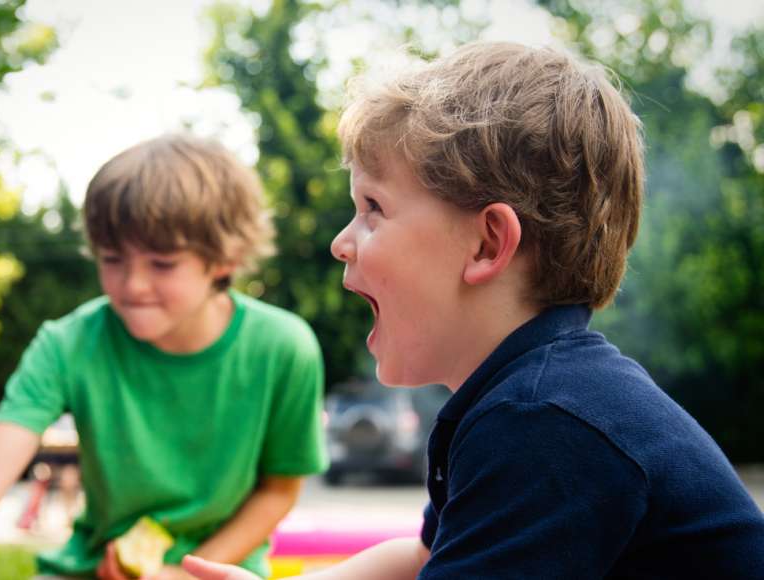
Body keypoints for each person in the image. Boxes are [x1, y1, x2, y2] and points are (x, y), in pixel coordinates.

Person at [181, 41, 764, 580]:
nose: (341, 241)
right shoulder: (529, 395)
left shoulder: (543, 422)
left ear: (487, 244)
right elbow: (424, 557)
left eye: (373, 207)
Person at [0, 134, 329, 579]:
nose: (132, 285)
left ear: (224, 259)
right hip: (91, 571)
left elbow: (279, 489)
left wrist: (185, 573)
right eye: (112, 259)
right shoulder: (68, 343)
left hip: (219, 571)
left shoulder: (284, 347)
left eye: (162, 263)